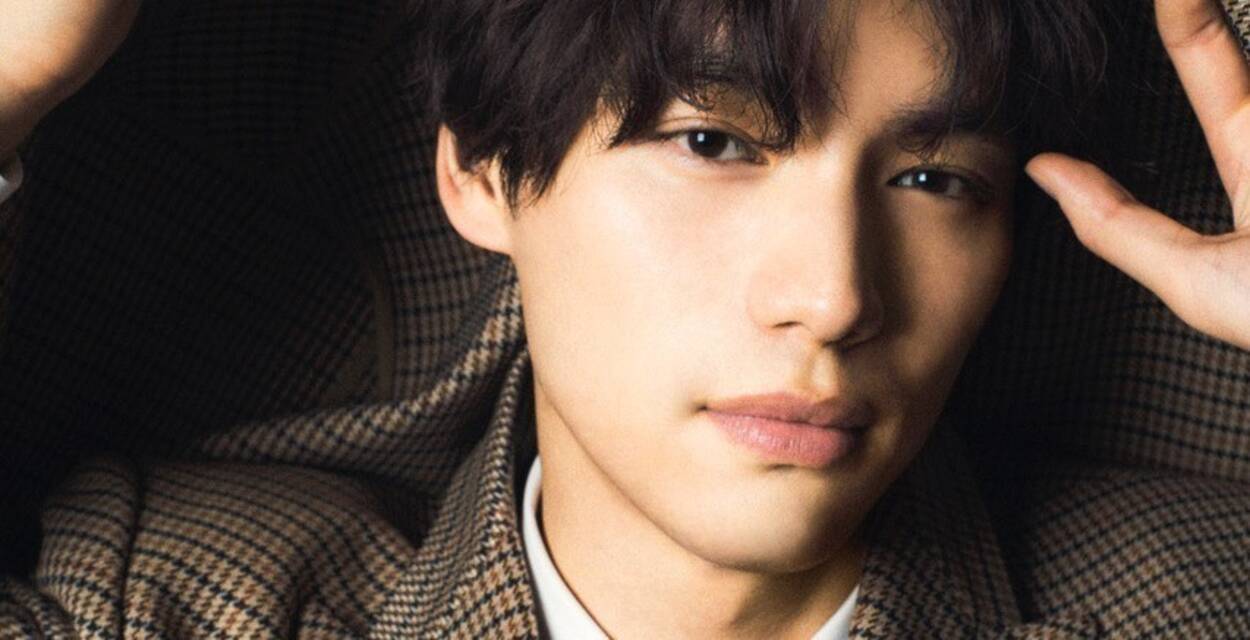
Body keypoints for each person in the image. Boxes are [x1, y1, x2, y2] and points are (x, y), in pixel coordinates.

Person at [1, 0, 1248, 637]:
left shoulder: (1202, 597)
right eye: (711, 143)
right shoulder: (164, 597)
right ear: (482, 168)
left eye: (933, 179)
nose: (833, 298)